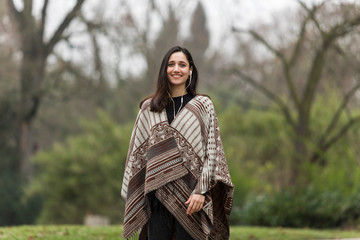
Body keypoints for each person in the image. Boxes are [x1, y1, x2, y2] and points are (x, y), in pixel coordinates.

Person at [121, 46, 234, 240]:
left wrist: (201, 191)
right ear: (164, 69)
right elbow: (137, 155)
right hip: (157, 198)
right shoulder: (149, 108)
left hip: (192, 199)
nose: (176, 69)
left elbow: (212, 152)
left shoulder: (203, 105)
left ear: (190, 70)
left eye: (182, 64)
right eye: (171, 64)